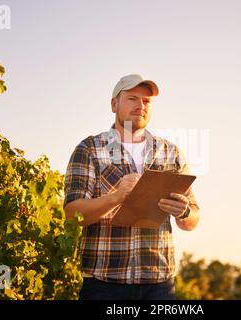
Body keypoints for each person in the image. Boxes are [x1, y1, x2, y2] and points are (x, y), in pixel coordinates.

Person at [63, 74, 200, 300]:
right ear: (114, 104)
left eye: (146, 101)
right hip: (104, 285)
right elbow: (72, 216)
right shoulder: (89, 149)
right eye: (132, 98)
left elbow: (192, 219)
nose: (140, 106)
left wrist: (184, 211)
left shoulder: (169, 152)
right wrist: (115, 197)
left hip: (159, 286)